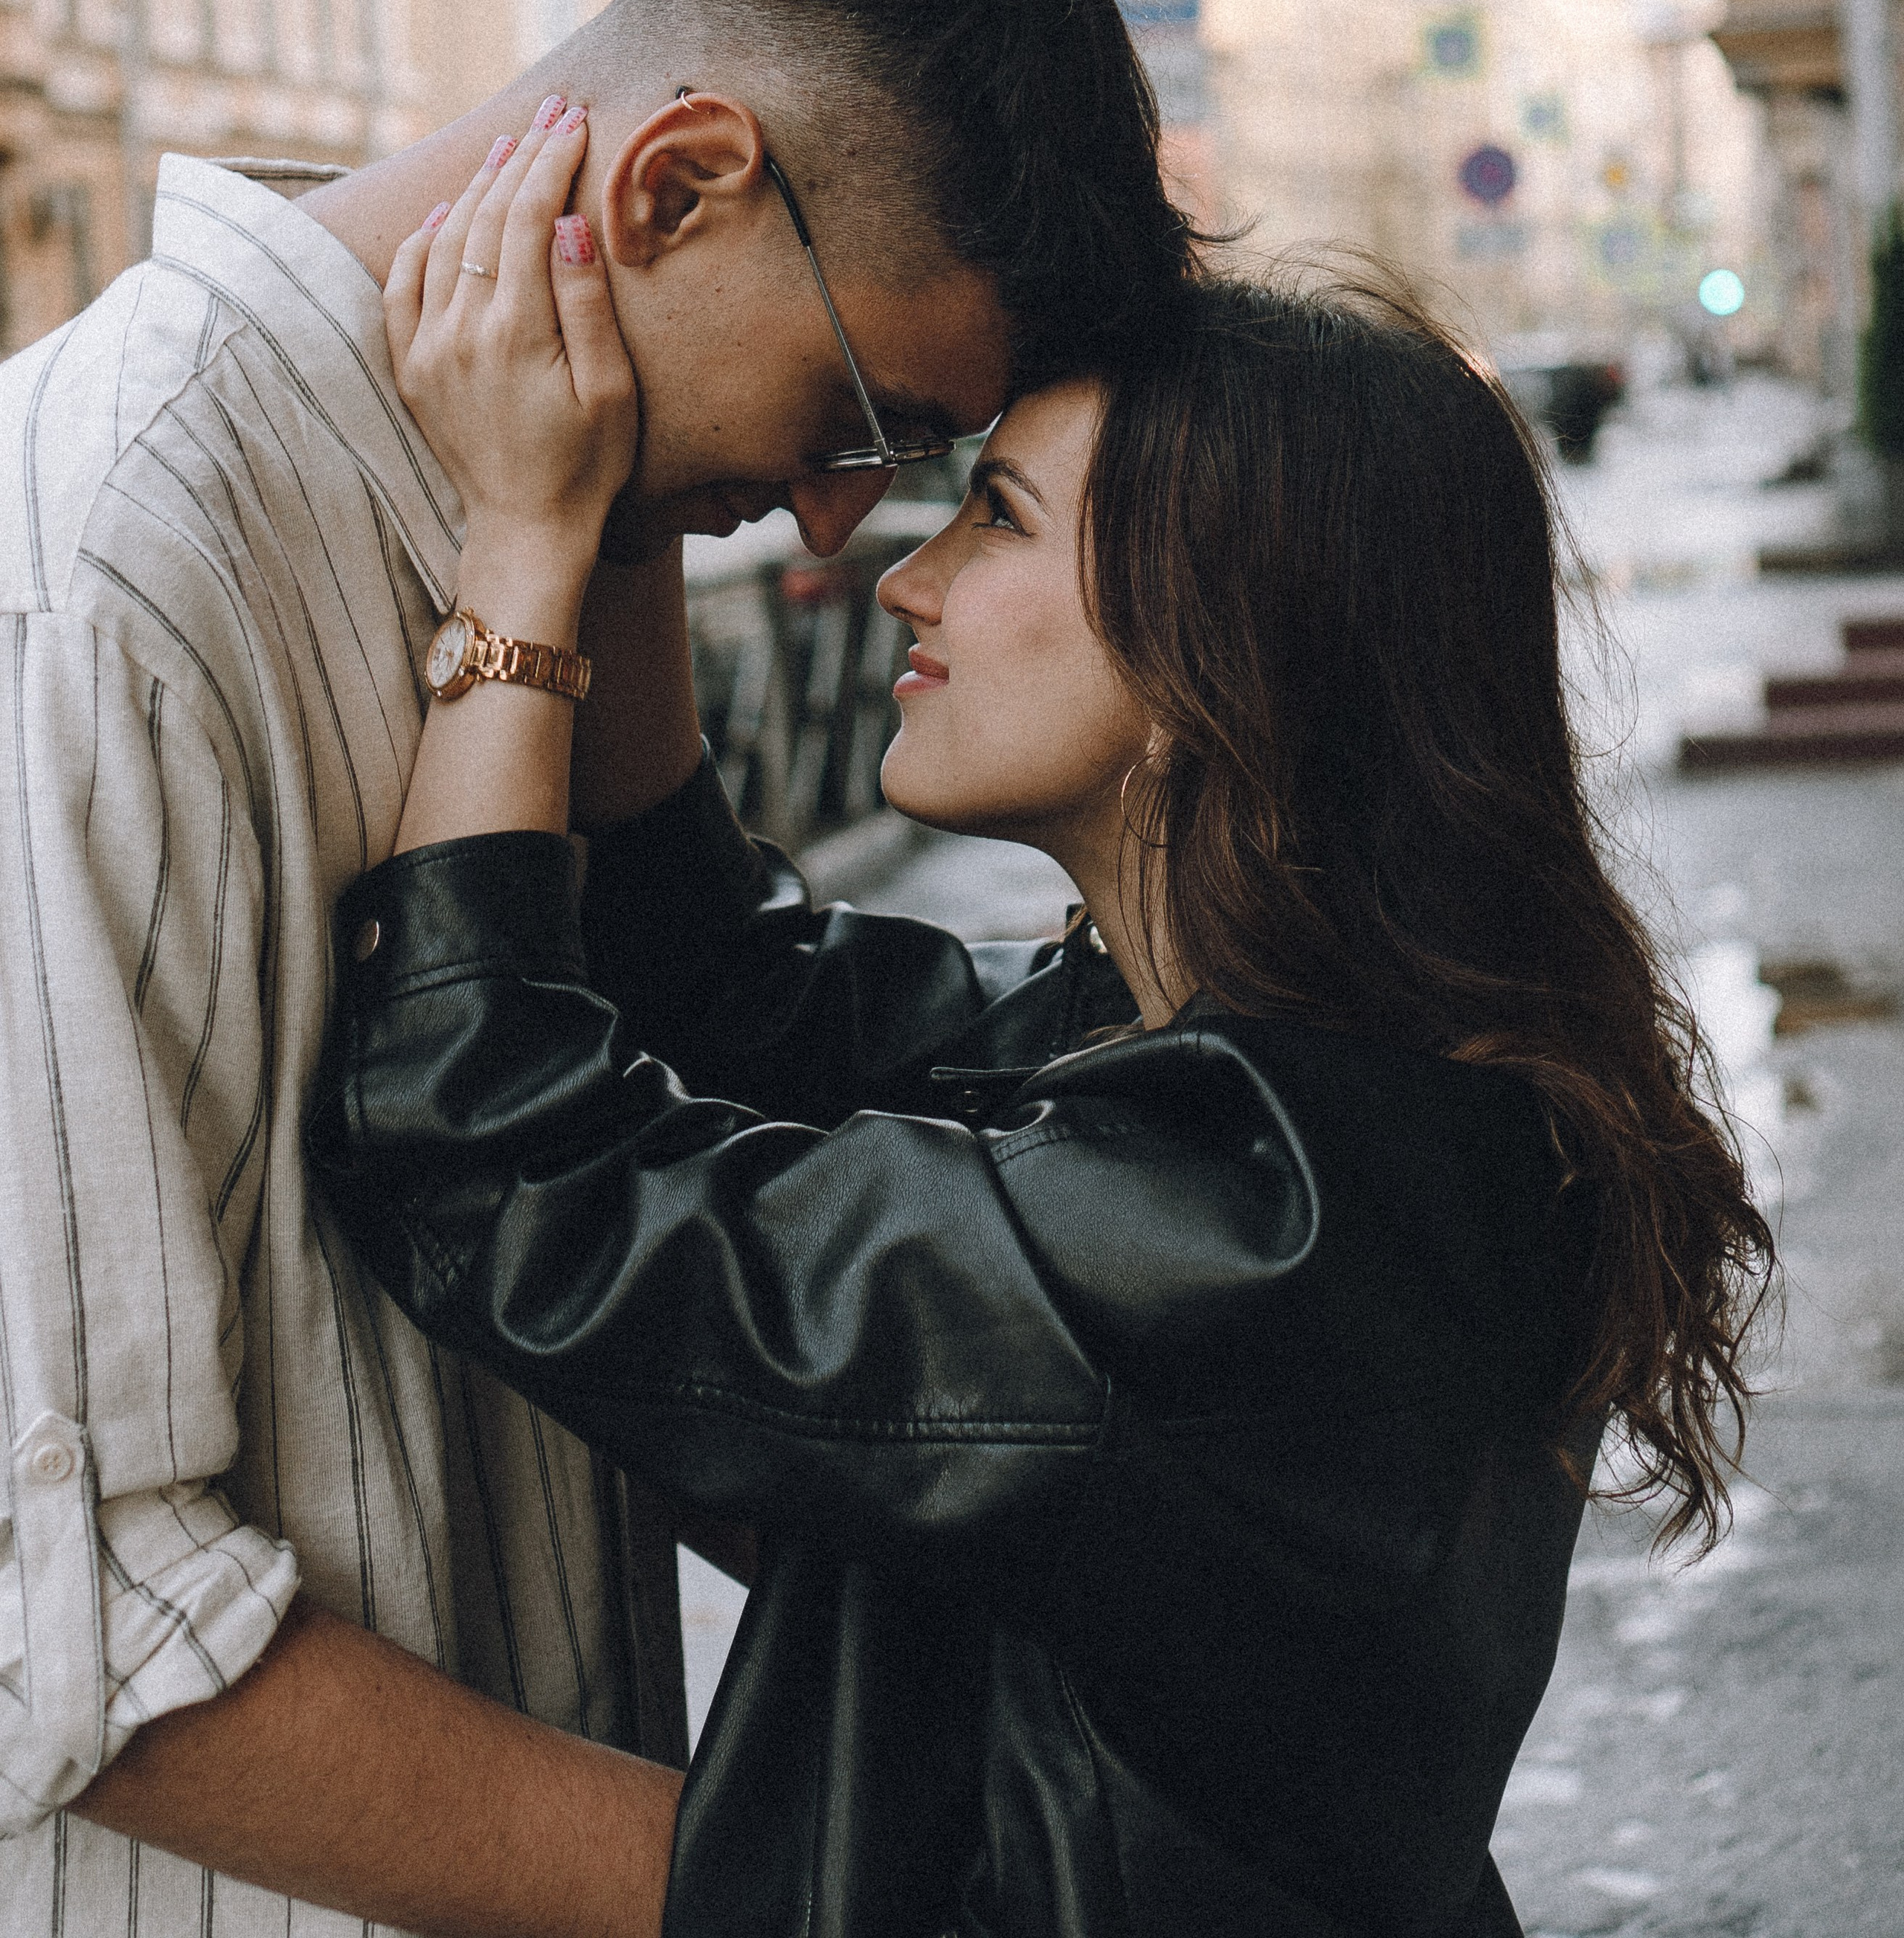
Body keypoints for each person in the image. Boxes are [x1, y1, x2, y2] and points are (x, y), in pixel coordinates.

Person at [310, 143, 1775, 1938]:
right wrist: (633, 496)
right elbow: (737, 1003)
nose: (901, 584)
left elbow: (498, 1162)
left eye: (992, 515)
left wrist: (519, 552)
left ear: (1212, 639)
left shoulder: (1247, 1225)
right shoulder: (1294, 1072)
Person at [0, 0, 1194, 1938]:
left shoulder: (494, 509)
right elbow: (66, 1613)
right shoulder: (108, 577)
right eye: (860, 417)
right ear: (673, 186)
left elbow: (697, 1068)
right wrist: (855, 1909)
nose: (838, 525)